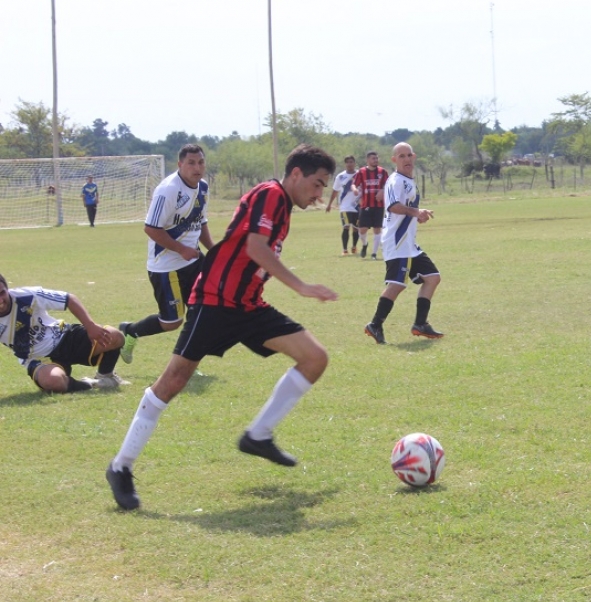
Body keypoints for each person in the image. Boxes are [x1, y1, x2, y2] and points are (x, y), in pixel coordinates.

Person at [105, 144, 339, 511]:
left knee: (315, 358)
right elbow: (255, 247)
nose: (319, 193)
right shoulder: (271, 195)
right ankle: (120, 466)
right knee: (172, 382)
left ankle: (258, 435)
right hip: (214, 301)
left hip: (247, 305)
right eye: (317, 184)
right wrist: (302, 287)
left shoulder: (283, 206)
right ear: (296, 174)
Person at [118, 144, 214, 364]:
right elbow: (151, 228)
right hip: (166, 266)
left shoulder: (203, 188)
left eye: (200, 162)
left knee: (203, 311)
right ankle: (131, 331)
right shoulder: (168, 190)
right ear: (180, 164)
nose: (197, 167)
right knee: (172, 322)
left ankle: (186, 362)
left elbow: (201, 222)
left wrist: (213, 250)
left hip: (194, 261)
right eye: (191, 162)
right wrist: (181, 249)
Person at [364, 142, 443, 344]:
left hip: (409, 244)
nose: (406, 159)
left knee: (432, 277)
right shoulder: (397, 181)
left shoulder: (407, 180)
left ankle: (420, 324)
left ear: (414, 157)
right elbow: (393, 206)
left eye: (409, 155)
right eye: (401, 156)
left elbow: (405, 207)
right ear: (394, 160)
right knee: (397, 285)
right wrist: (416, 212)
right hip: (397, 242)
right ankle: (375, 324)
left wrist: (419, 213)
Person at [0, 272, 128, 393]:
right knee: (53, 381)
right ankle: (90, 384)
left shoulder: (27, 296)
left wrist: (90, 326)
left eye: (2, 293)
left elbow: (69, 299)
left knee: (115, 336)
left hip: (64, 337)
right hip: (37, 358)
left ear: (7, 289)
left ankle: (106, 376)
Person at [354, 150, 389, 259]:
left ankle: (374, 254)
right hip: (366, 205)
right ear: (368, 160)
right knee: (362, 229)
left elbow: (388, 185)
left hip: (379, 205)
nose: (376, 160)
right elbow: (354, 184)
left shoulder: (382, 172)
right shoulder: (361, 172)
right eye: (373, 158)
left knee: (377, 229)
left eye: (376, 158)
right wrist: (355, 189)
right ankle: (364, 244)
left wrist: (382, 191)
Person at [325, 155, 361, 255]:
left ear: (354, 163)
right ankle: (344, 249)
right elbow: (335, 191)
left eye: (351, 162)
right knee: (346, 226)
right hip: (345, 206)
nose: (350, 164)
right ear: (345, 164)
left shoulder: (360, 174)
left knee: (356, 228)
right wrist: (329, 204)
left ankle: (354, 247)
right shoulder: (340, 177)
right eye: (347, 162)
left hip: (357, 206)